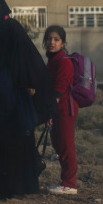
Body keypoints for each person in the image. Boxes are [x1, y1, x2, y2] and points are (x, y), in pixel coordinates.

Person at [0, 0, 57, 199]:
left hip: (11, 96)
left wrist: (28, 84)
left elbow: (27, 58)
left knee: (14, 141)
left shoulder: (12, 27)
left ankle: (16, 187)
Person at [43, 25, 79, 195]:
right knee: (59, 146)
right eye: (49, 39)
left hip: (65, 109)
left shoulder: (64, 62)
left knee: (66, 146)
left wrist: (50, 112)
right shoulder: (53, 61)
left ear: (63, 43)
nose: (52, 42)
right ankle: (66, 182)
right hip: (58, 109)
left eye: (56, 39)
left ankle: (70, 184)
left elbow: (59, 89)